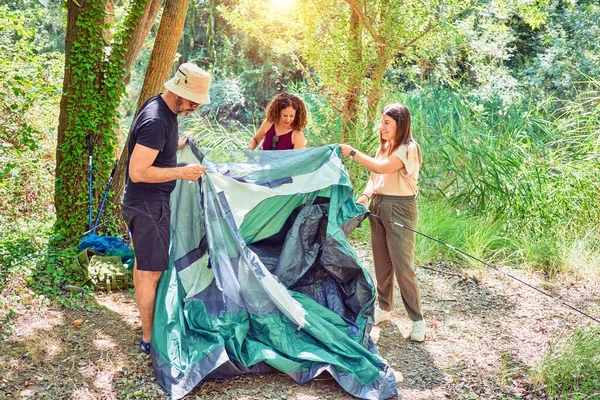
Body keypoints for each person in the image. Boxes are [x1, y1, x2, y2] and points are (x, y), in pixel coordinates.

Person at [121, 63, 211, 354]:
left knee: (144, 266)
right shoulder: (157, 120)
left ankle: (147, 325)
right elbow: (138, 171)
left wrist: (176, 147)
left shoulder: (163, 108)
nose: (195, 107)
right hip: (147, 205)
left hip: (145, 203)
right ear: (179, 93)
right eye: (194, 101)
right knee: (151, 271)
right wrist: (181, 172)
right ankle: (149, 338)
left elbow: (156, 150)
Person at [339, 103, 425, 342]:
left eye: (387, 122)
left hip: (400, 208)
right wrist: (365, 197)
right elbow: (375, 176)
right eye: (381, 121)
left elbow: (381, 167)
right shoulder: (385, 146)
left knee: (402, 265)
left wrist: (353, 152)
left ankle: (417, 320)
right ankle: (385, 308)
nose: (382, 126)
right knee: (381, 262)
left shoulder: (409, 148)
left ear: (400, 124)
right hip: (378, 205)